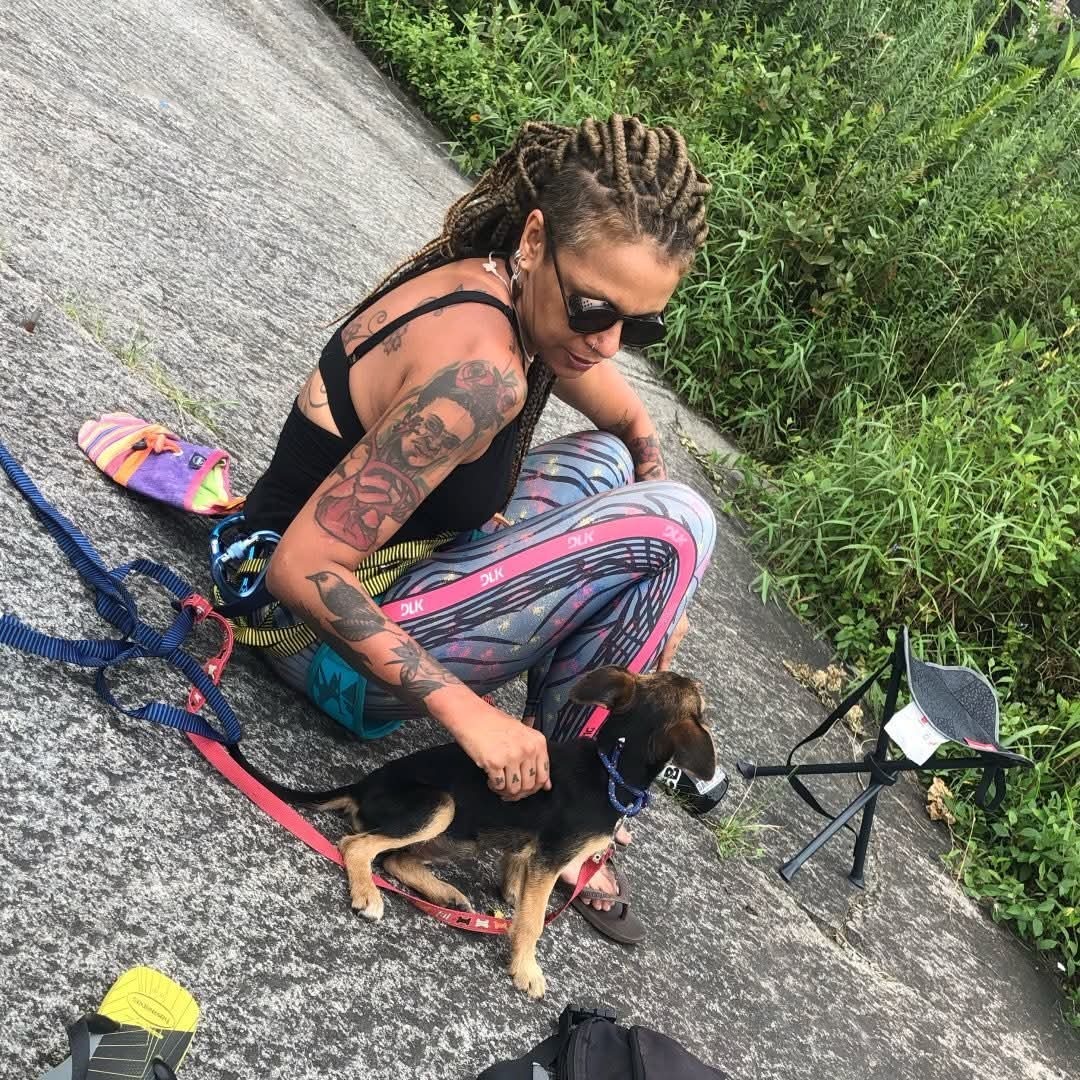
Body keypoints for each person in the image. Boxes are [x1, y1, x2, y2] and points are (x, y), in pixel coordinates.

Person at [236, 115, 716, 943]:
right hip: (305, 644)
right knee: (676, 528)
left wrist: (658, 571)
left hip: (368, 584)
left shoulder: (507, 292)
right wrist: (471, 716)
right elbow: (299, 567)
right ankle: (566, 809)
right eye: (594, 309)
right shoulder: (480, 373)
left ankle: (563, 783)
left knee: (612, 465)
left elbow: (624, 419)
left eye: (640, 326)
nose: (607, 343)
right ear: (535, 239)